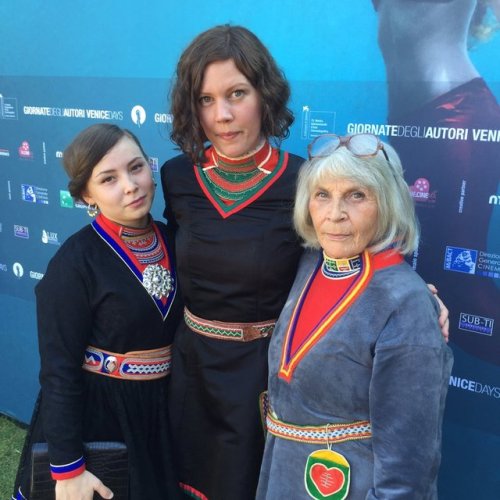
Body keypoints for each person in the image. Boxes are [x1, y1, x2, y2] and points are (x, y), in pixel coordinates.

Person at [161, 25, 450, 500]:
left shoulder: (303, 179)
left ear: (265, 94)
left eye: (237, 93)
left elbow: (353, 254)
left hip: (266, 374)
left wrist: (420, 300)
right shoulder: (177, 177)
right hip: (193, 368)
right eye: (206, 99)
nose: (223, 115)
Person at [256, 133, 453, 499]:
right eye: (322, 195)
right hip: (280, 476)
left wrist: (419, 301)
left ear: (388, 203)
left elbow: (409, 464)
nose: (334, 215)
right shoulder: (310, 263)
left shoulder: (406, 302)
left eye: (356, 195)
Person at [13, 124, 182, 500]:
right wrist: (69, 468)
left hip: (160, 411)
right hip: (101, 416)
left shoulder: (175, 239)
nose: (130, 185)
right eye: (109, 179)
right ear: (86, 194)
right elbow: (58, 371)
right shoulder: (74, 264)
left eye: (136, 167)